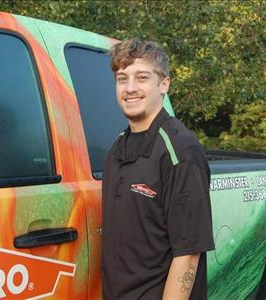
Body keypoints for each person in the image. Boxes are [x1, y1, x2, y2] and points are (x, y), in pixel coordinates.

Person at [102, 38, 215, 300]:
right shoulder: (115, 152)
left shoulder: (181, 152)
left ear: (163, 84)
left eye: (142, 77)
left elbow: (187, 255)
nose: (130, 88)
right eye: (122, 79)